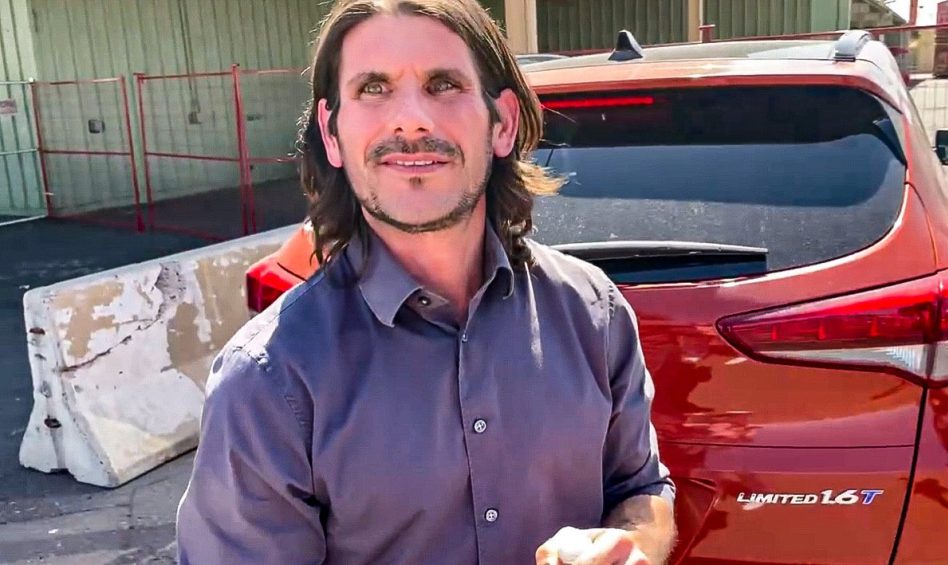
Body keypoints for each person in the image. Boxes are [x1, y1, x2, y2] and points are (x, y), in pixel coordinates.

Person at [175, 0, 677, 563]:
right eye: (373, 88)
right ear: (332, 134)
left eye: (443, 85)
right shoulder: (267, 382)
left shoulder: (593, 310)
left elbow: (641, 488)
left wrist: (632, 545)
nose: (411, 120)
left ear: (503, 124)